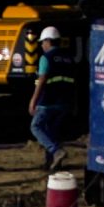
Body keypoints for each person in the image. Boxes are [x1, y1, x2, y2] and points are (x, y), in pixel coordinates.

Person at [27, 25, 80, 171]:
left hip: (48, 101)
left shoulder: (46, 58)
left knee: (36, 127)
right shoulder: (69, 59)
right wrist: (74, 104)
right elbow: (75, 82)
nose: (42, 45)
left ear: (48, 41)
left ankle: (56, 151)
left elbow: (42, 80)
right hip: (65, 103)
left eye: (43, 42)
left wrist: (33, 100)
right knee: (51, 132)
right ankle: (52, 164)